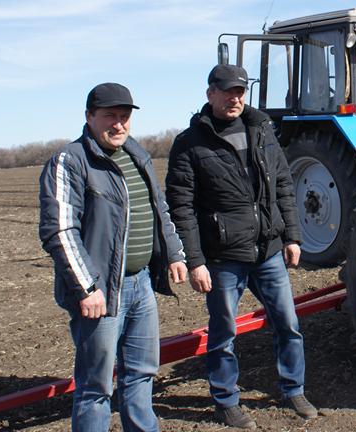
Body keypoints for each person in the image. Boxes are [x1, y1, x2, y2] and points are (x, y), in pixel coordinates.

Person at [165, 64, 317, 429]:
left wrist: (292, 236)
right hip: (222, 257)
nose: (235, 98)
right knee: (224, 333)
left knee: (288, 324)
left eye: (240, 91)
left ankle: (293, 389)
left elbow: (283, 184)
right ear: (210, 94)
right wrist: (196, 260)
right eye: (227, 91)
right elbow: (181, 206)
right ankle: (226, 400)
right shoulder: (190, 143)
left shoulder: (262, 130)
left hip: (267, 250)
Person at [38, 82, 188, 431]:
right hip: (101, 292)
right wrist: (86, 287)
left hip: (141, 287)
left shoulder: (136, 155)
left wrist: (175, 253)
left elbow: (157, 209)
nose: (118, 124)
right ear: (89, 117)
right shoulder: (70, 161)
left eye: (124, 117)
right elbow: (59, 231)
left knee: (141, 374)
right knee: (96, 386)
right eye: (110, 116)